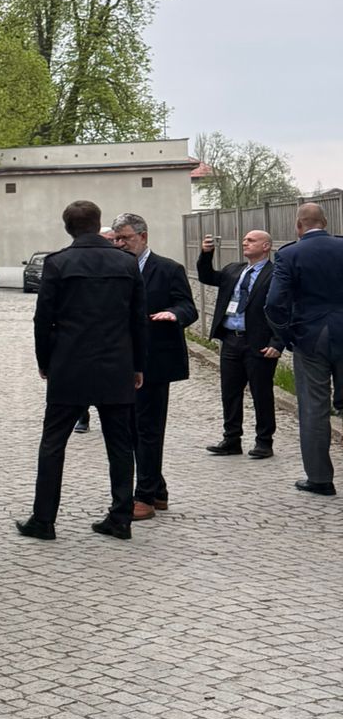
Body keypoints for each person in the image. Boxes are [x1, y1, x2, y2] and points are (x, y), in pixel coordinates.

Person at [17, 198, 146, 542]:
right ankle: (121, 517)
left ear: (68, 227)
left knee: (53, 443)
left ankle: (43, 519)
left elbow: (43, 319)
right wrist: (137, 364)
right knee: (120, 445)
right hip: (116, 364)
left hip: (69, 365)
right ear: (98, 222)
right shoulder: (126, 262)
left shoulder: (58, 263)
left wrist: (45, 361)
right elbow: (137, 319)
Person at [112, 213, 197, 520]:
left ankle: (145, 496)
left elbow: (188, 307)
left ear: (143, 237)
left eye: (126, 238)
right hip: (123, 360)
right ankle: (158, 489)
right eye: (117, 239)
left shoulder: (169, 269)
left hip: (155, 361)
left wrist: (174, 314)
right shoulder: (115, 268)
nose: (120, 244)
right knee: (131, 429)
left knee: (148, 429)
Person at [263, 202, 343, 497]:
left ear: (298, 225)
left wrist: (286, 335)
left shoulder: (289, 254)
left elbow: (274, 303)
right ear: (326, 222)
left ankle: (320, 478)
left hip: (310, 336)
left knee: (314, 408)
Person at [197, 230, 277, 459]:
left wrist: (277, 342)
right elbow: (207, 276)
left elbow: (283, 307)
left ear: (266, 246)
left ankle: (264, 441)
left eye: (251, 240)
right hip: (231, 339)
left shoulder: (274, 274)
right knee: (230, 392)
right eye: (244, 240)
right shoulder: (234, 269)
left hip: (258, 342)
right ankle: (231, 439)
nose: (245, 242)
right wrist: (206, 254)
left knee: (261, 393)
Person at [73, 226, 121, 436]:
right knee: (83, 380)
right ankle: (82, 416)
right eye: (106, 240)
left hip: (113, 334)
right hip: (84, 333)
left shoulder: (123, 263)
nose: (110, 244)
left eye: (113, 240)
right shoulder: (81, 262)